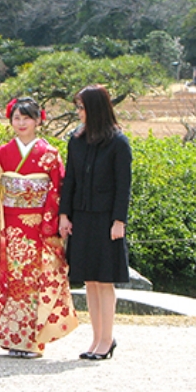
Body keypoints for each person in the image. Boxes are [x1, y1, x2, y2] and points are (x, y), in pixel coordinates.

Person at [0, 97, 77, 358]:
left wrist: (50, 223)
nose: (21, 123)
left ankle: (34, 342)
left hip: (38, 226)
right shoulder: (1, 153)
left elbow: (57, 190)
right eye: (16, 118)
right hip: (9, 224)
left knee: (35, 281)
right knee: (12, 280)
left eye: (27, 118)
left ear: (38, 120)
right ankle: (12, 339)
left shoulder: (50, 154)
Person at [59, 85, 132, 361]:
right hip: (81, 217)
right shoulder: (75, 140)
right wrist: (64, 215)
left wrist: (118, 221)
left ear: (96, 108)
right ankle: (96, 338)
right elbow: (71, 182)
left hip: (106, 220)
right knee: (89, 280)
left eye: (82, 107)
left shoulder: (118, 142)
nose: (78, 113)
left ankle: (107, 339)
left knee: (104, 281)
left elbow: (123, 186)